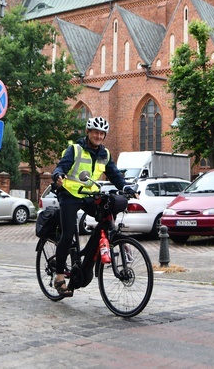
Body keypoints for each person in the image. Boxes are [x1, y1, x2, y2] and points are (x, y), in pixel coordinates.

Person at [50, 116, 133, 297]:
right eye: (95, 132)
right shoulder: (75, 150)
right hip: (69, 195)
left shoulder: (105, 154)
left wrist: (126, 187)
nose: (99, 136)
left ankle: (92, 252)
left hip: (89, 195)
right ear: (88, 132)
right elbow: (60, 167)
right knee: (68, 233)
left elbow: (115, 175)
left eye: (102, 133)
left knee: (106, 213)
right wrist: (58, 176)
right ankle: (58, 276)